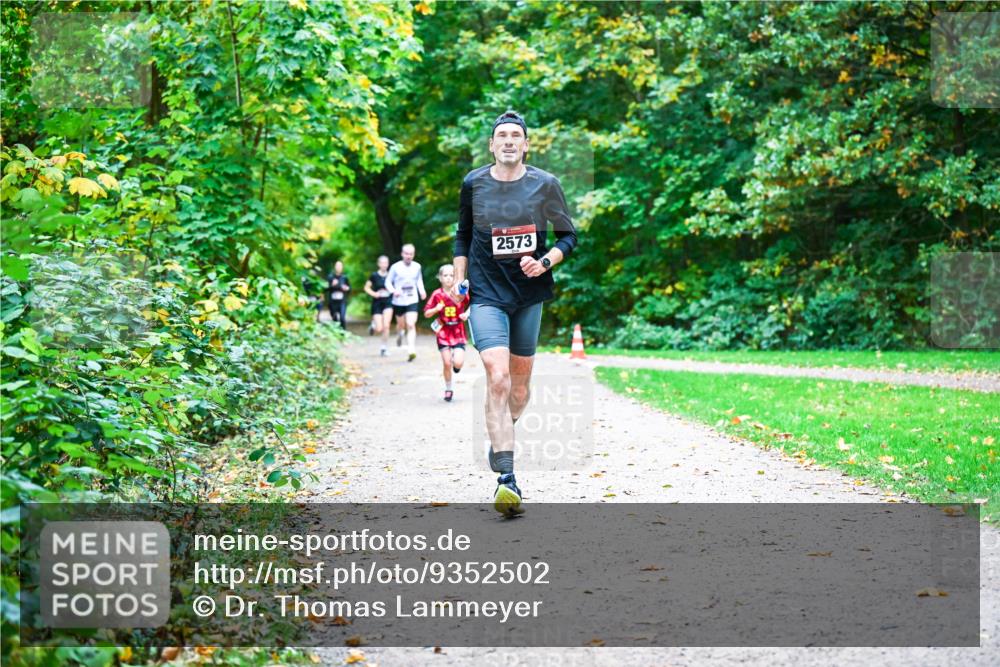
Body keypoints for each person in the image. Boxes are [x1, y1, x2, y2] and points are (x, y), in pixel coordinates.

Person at [453, 110, 577, 517]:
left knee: (519, 393)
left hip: (529, 295)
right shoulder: (474, 183)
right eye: (501, 135)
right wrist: (459, 279)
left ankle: (499, 437)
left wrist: (545, 261)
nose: (508, 141)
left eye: (515, 136)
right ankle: (507, 478)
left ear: (525, 145)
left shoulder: (546, 185)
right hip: (487, 295)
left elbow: (568, 236)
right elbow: (463, 235)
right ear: (492, 145)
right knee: (498, 375)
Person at [424, 264, 470, 401]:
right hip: (443, 331)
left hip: (458, 329)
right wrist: (436, 309)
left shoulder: (460, 292)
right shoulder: (437, 295)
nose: (449, 278)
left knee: (458, 363)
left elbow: (474, 303)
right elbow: (426, 313)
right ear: (440, 278)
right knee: (446, 363)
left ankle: (456, 367)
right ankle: (448, 389)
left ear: (456, 277)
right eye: (446, 275)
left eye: (452, 275)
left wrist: (466, 314)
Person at [384, 244, 426, 362]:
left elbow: (419, 280)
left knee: (411, 324)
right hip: (398, 301)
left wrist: (422, 291)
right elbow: (388, 282)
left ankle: (411, 349)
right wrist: (393, 291)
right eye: (406, 254)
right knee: (401, 325)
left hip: (412, 299)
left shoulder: (417, 266)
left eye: (411, 254)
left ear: (413, 255)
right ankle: (400, 334)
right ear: (402, 254)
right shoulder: (395, 267)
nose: (408, 256)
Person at [364, 255, 394, 356]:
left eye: (386, 263)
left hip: (388, 302)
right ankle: (373, 326)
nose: (384, 265)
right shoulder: (374, 275)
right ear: (378, 264)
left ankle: (384, 347)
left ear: (388, 264)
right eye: (382, 263)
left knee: (386, 326)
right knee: (379, 328)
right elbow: (366, 288)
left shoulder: (391, 275)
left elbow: (396, 286)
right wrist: (374, 294)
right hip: (377, 303)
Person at [327, 261, 351, 330]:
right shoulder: (330, 277)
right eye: (337, 266)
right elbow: (325, 288)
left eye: (340, 266)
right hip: (333, 302)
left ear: (342, 267)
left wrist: (346, 288)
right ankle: (337, 331)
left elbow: (349, 289)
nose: (338, 267)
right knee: (334, 317)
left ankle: (343, 332)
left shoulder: (345, 278)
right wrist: (332, 285)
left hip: (342, 301)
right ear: (335, 267)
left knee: (342, 318)